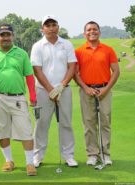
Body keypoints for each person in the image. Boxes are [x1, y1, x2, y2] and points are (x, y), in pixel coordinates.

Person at [0, 23, 37, 176]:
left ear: (13, 36)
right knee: (1, 131)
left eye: (8, 34)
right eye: (2, 35)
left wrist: (32, 95)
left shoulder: (22, 54)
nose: (5, 37)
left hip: (18, 98)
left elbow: (29, 76)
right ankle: (9, 160)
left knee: (25, 130)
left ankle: (30, 163)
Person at [30, 15, 78, 168]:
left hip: (64, 90)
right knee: (41, 124)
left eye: (53, 25)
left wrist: (61, 87)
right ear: (42, 29)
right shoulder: (37, 46)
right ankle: (37, 156)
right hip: (43, 91)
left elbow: (72, 66)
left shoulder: (67, 44)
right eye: (47, 25)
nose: (51, 28)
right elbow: (37, 70)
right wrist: (51, 90)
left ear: (58, 27)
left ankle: (68, 156)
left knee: (66, 123)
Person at [74, 21, 120, 166]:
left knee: (105, 122)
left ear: (99, 32)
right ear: (84, 33)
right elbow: (75, 74)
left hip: (104, 89)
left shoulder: (108, 50)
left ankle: (105, 154)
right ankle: (92, 154)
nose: (92, 32)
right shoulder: (79, 51)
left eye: (94, 29)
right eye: (88, 30)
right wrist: (85, 88)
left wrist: (106, 89)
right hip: (86, 90)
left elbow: (116, 71)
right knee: (89, 124)